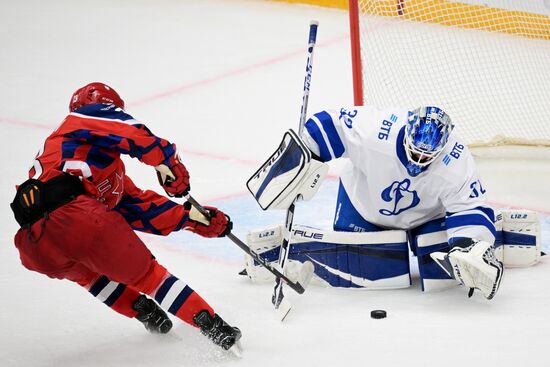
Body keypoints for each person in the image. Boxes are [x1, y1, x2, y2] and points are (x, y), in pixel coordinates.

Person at [10, 82, 241, 350]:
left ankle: (145, 313)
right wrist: (167, 163)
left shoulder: (89, 165)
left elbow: (136, 206)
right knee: (149, 277)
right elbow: (130, 133)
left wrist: (188, 218)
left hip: (33, 243)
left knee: (90, 276)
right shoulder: (78, 120)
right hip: (74, 216)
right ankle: (218, 332)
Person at [295, 105, 503, 299]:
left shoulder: (456, 160)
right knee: (369, 266)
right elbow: (331, 124)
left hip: (426, 218)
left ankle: (491, 242)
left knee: (438, 275)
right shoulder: (375, 129)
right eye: (415, 151)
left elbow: (469, 205)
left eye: (427, 156)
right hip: (363, 205)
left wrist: (466, 245)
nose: (419, 160)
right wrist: (303, 153)